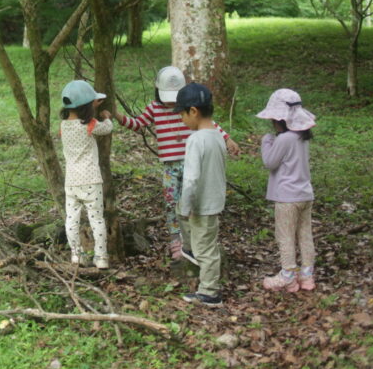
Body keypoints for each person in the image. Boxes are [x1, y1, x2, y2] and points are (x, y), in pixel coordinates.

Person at [114, 66, 239, 263]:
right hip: (170, 166)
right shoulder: (155, 108)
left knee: (195, 200)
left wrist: (227, 139)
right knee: (172, 202)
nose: (172, 101)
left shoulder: (189, 107)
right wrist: (117, 116)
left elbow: (210, 124)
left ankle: (194, 240)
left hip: (192, 162)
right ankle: (176, 240)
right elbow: (138, 124)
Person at [256, 89, 317, 292]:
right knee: (304, 234)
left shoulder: (284, 139)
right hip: (305, 193)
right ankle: (307, 275)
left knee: (285, 236)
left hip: (286, 197)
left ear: (280, 119)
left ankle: (288, 276)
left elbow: (269, 162)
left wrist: (266, 141)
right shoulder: (303, 137)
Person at [174, 82, 226, 307]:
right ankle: (192, 249)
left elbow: (191, 179)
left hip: (201, 203)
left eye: (182, 115)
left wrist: (187, 207)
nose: (181, 120)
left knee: (207, 251)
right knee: (205, 241)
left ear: (193, 111)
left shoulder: (195, 140)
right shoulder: (216, 135)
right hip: (214, 198)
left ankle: (210, 293)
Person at [59, 79, 113, 269]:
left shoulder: (63, 126)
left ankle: (76, 255)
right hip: (91, 180)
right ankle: (101, 257)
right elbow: (107, 129)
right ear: (87, 107)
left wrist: (90, 103)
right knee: (96, 218)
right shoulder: (90, 124)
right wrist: (106, 116)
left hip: (72, 181)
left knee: (71, 219)